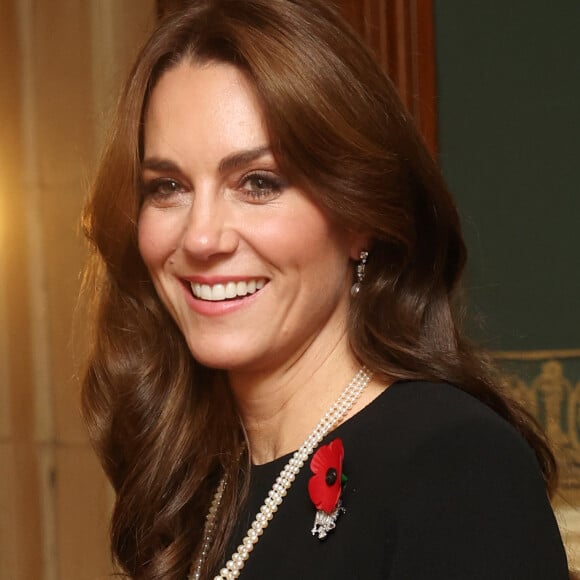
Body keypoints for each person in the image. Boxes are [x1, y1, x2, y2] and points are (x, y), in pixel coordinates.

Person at [80, 1, 569, 578]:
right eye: (168, 187)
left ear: (358, 215)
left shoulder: (455, 467)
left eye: (258, 183)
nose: (202, 236)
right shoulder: (192, 482)